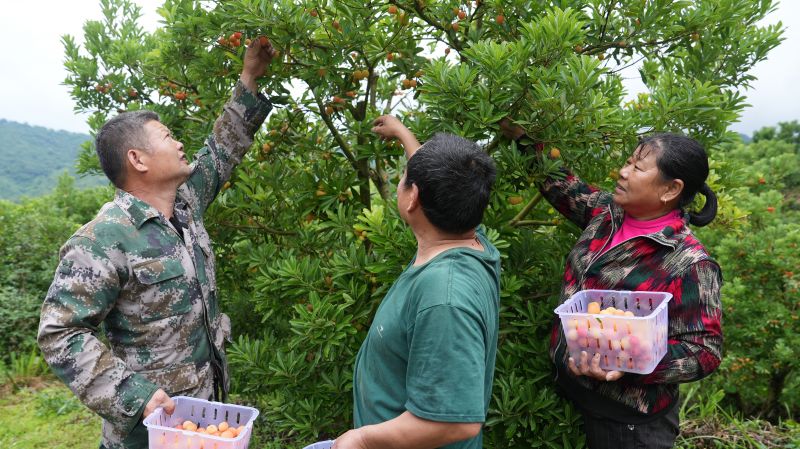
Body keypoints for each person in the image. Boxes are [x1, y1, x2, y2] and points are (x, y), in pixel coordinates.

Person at [37, 37, 278, 449]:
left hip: (202, 419)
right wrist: (136, 396)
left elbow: (222, 149)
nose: (180, 142)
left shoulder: (184, 207)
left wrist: (250, 77)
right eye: (168, 136)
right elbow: (60, 332)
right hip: (147, 431)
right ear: (138, 159)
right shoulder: (105, 237)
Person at [501, 120, 723, 448]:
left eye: (638, 167)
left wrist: (631, 362)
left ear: (670, 189)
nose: (623, 171)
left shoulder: (688, 262)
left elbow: (705, 350)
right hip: (571, 396)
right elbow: (564, 186)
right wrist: (524, 138)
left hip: (627, 423)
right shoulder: (608, 214)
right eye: (629, 162)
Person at [332, 116, 501, 449]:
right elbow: (441, 185)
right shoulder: (465, 235)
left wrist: (363, 439)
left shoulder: (445, 296)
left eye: (404, 179)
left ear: (413, 199)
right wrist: (403, 135)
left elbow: (456, 423)